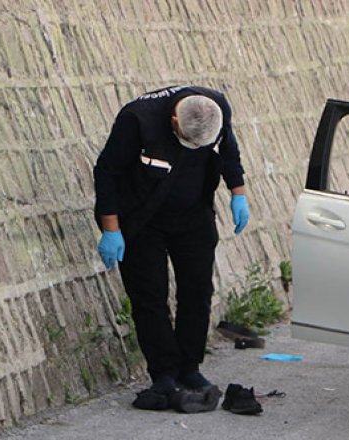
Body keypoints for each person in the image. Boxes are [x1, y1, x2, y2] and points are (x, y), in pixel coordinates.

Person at [93, 85, 249, 412]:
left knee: (197, 290)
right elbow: (107, 171)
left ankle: (189, 368)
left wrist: (238, 192)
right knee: (149, 296)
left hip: (193, 215)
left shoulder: (215, 108)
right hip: (141, 218)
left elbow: (228, 151)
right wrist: (112, 229)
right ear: (175, 121)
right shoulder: (138, 120)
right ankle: (163, 372)